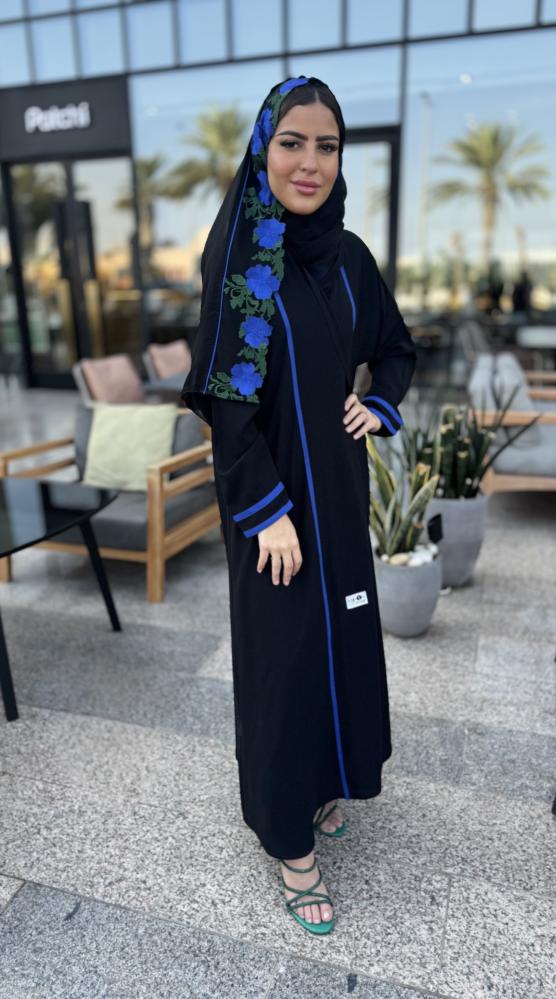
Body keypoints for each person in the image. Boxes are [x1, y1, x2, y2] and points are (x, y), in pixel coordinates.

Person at [181, 75, 417, 936]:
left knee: (337, 642)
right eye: (292, 143)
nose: (309, 162)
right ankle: (290, 842)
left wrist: (378, 403)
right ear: (263, 150)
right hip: (273, 511)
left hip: (339, 496)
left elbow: (396, 349)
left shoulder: (350, 259)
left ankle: (326, 784)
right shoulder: (247, 260)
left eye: (327, 145)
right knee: (284, 666)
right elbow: (228, 406)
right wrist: (265, 511)